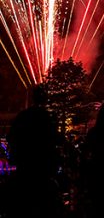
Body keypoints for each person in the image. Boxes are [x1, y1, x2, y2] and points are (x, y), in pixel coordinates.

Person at [7, 85, 61, 218]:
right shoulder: (49, 117)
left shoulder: (23, 116)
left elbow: (11, 137)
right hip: (43, 168)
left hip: (25, 166)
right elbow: (56, 139)